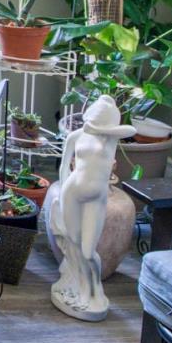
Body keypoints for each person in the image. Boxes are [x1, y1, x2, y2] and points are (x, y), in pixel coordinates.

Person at [46, 96, 133, 320]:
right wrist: (63, 194)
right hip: (72, 192)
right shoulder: (76, 136)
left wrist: (103, 126)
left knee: (88, 252)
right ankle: (82, 290)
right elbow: (65, 167)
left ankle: (94, 292)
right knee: (74, 247)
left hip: (97, 198)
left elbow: (129, 130)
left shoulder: (110, 139)